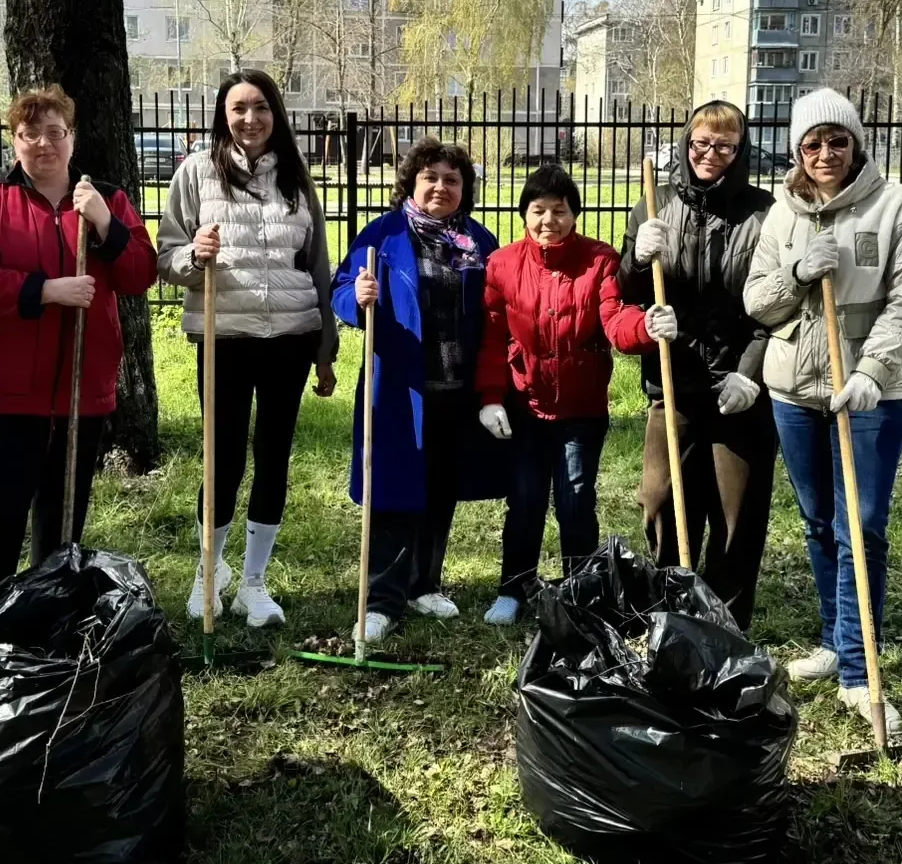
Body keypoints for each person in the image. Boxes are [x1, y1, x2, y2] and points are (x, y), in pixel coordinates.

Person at [745, 88, 902, 738]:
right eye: (812, 144)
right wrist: (797, 271)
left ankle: (858, 670)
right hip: (795, 391)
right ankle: (834, 638)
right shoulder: (783, 213)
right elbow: (758, 303)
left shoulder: (894, 205)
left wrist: (873, 371)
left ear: (856, 145)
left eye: (837, 141)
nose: (825, 153)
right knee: (820, 521)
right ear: (797, 151)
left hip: (869, 395)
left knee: (864, 527)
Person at [0, 86, 158, 604]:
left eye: (55, 132)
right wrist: (45, 291)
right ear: (14, 140)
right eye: (30, 133)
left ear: (72, 137)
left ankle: (46, 612)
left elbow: (139, 274)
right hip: (0, 388)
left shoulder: (107, 199)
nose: (44, 143)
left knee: (62, 514)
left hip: (81, 387)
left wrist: (104, 222)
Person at [157, 68, 337, 628]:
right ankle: (208, 575)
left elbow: (317, 264)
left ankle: (253, 583)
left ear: (275, 113)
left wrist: (325, 346)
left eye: (261, 107)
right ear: (223, 114)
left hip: (291, 334)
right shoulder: (196, 172)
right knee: (224, 458)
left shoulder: (296, 176)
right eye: (238, 108)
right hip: (225, 337)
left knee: (273, 456)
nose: (250, 119)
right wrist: (195, 256)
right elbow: (166, 258)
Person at [475, 164, 672, 625]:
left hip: (581, 408)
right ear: (524, 214)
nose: (549, 220)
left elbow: (615, 318)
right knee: (525, 500)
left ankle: (580, 590)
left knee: (576, 500)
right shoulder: (503, 265)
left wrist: (645, 326)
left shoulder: (598, 260)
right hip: (525, 405)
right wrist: (490, 397)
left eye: (559, 210)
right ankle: (514, 587)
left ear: (574, 214)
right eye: (538, 210)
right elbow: (492, 336)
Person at [333, 137, 508, 642]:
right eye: (430, 177)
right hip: (400, 388)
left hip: (457, 391)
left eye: (452, 180)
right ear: (411, 182)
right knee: (392, 491)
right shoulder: (383, 235)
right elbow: (340, 289)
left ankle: (424, 583)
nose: (440, 187)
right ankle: (381, 600)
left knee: (439, 488)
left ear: (464, 189)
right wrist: (356, 296)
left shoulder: (479, 242)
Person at [617, 100, 780, 625]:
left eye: (725, 146)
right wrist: (637, 258)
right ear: (687, 143)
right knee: (662, 501)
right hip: (675, 381)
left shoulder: (765, 213)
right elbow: (626, 292)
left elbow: (778, 307)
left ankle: (726, 625)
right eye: (701, 143)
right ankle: (670, 612)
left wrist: (749, 374)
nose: (711, 154)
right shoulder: (654, 205)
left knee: (737, 517)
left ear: (741, 150)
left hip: (741, 388)